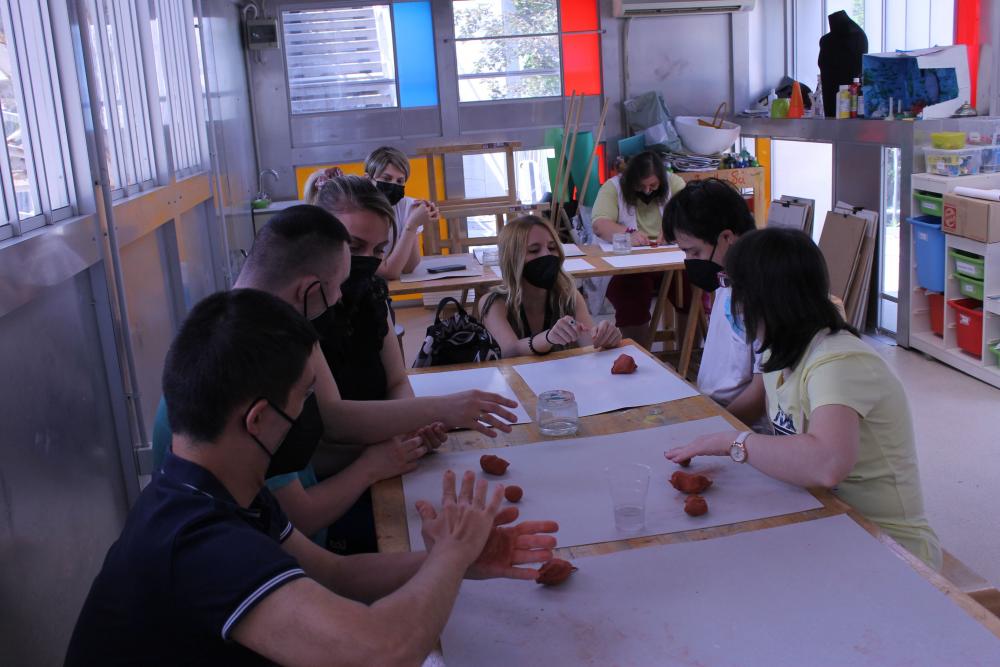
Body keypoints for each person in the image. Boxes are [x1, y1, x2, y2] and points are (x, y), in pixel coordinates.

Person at [66, 289, 558, 665]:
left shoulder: (217, 489)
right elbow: (379, 651)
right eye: (306, 398)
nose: (316, 415)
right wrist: (450, 555)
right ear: (258, 420)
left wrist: (458, 559)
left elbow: (334, 574)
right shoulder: (197, 542)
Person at [153, 205, 518, 547]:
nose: (342, 296)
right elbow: (301, 517)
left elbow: (308, 452)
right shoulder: (249, 363)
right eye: (338, 285)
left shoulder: (249, 328)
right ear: (308, 290)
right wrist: (373, 464)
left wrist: (393, 445)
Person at [664, 229, 942, 569]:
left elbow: (827, 463)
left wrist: (734, 442)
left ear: (765, 297)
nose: (730, 298)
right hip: (826, 522)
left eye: (732, 285)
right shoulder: (779, 352)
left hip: (886, 546)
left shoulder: (839, 361)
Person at [310, 175, 435, 552]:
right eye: (354, 246)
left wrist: (411, 426)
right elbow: (326, 429)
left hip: (382, 462)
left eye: (379, 249)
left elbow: (396, 380)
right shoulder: (302, 313)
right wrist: (390, 443)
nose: (367, 259)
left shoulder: (370, 294)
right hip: (332, 484)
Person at [661, 178, 766, 431]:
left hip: (745, 429)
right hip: (716, 412)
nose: (690, 261)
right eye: (685, 252)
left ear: (727, 237)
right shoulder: (726, 279)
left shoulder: (761, 294)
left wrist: (713, 429)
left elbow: (762, 393)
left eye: (695, 252)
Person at [479, 215, 622, 357]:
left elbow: (590, 343)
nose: (547, 254)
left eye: (552, 248)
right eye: (534, 250)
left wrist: (606, 337)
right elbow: (510, 350)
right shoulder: (494, 303)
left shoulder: (568, 297)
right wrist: (548, 338)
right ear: (512, 259)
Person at [591, 151, 687, 346]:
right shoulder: (613, 188)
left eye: (653, 186)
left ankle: (688, 353)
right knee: (630, 293)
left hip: (671, 263)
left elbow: (690, 215)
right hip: (630, 267)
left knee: (691, 286)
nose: (647, 191)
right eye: (641, 186)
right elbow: (599, 225)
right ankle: (637, 353)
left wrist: (672, 228)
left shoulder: (675, 184)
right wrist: (627, 233)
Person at [364, 145, 440, 280]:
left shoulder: (405, 205)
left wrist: (413, 220)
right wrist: (412, 225)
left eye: (400, 181)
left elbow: (409, 267)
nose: (393, 185)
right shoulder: (358, 212)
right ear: (368, 179)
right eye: (386, 179)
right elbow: (387, 274)